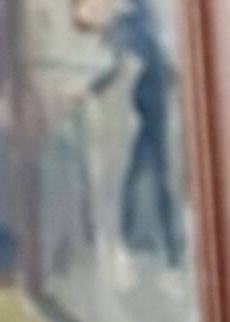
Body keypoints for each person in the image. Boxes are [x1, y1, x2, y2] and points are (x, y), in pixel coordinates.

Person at [72, 0, 179, 268]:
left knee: (154, 174)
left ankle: (166, 247)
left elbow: (121, 67)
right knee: (146, 173)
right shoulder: (128, 19)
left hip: (153, 103)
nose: (95, 24)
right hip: (147, 106)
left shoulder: (129, 20)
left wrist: (88, 87)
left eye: (88, 15)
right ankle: (154, 244)